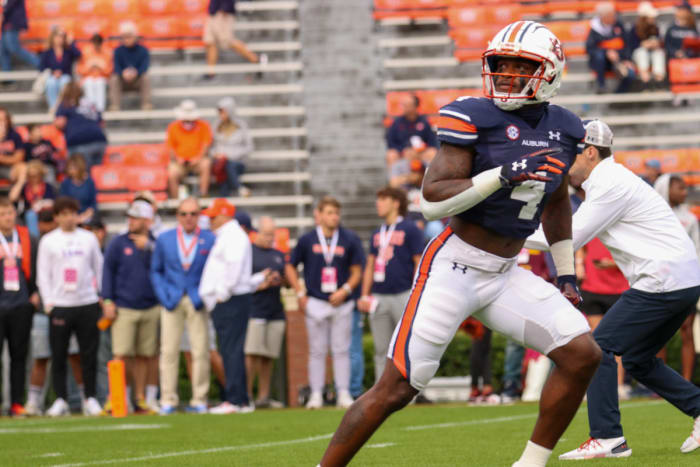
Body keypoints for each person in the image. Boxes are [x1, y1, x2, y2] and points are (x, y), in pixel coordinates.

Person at [319, 21, 601, 467]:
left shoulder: (566, 128)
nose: (506, 74)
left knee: (583, 354)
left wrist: (566, 272)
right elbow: (431, 201)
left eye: (519, 66)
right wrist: (502, 174)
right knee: (397, 388)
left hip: (506, 271)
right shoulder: (474, 115)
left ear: (550, 72)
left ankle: (530, 464)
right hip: (453, 267)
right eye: (500, 65)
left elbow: (557, 202)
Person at [523, 120, 700, 459]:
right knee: (636, 359)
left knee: (596, 348)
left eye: (568, 155)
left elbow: (565, 238)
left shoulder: (610, 184)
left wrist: (497, 233)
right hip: (678, 280)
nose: (563, 163)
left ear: (589, 152)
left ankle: (608, 437)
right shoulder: (611, 179)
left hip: (664, 280)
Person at [286, 196, 364, 410]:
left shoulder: (349, 238)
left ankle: (343, 393)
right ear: (318, 215)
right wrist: (300, 293)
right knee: (317, 350)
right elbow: (290, 266)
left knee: (341, 350)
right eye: (329, 213)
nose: (334, 217)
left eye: (336, 213)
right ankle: (316, 394)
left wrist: (345, 290)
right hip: (316, 300)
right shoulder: (307, 240)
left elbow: (357, 270)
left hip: (342, 301)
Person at [37, 197, 103, 417]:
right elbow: (43, 275)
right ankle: (62, 399)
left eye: (72, 213)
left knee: (89, 354)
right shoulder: (49, 241)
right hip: (60, 305)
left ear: (78, 214)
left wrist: (101, 296)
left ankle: (90, 398)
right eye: (63, 214)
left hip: (87, 302)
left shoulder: (89, 239)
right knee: (58, 354)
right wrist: (49, 303)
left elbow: (99, 268)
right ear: (56, 217)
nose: (68, 218)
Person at [150, 198, 216, 415]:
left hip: (197, 299)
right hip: (172, 299)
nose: (189, 218)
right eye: (184, 214)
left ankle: (199, 398)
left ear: (199, 216)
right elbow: (156, 271)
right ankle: (168, 399)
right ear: (177, 216)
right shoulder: (165, 239)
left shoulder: (209, 238)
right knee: (168, 350)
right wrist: (164, 296)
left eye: (193, 214)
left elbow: (214, 270)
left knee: (200, 350)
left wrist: (203, 295)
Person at [200, 199, 264, 414]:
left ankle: (234, 400)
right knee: (231, 348)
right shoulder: (230, 236)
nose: (210, 220)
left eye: (213, 216)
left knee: (230, 350)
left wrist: (221, 295)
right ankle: (241, 400)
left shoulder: (233, 236)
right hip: (232, 298)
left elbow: (233, 269)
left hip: (231, 300)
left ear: (225, 215)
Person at [358, 187, 423, 382]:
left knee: (410, 346)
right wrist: (364, 294)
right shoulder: (377, 232)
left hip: (404, 294)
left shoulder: (411, 229)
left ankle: (414, 391)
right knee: (381, 349)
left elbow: (418, 263)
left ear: (396, 203)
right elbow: (370, 265)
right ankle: (380, 393)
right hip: (379, 295)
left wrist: (416, 293)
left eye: (383, 199)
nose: (378, 203)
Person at [101, 200, 159, 413]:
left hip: (150, 306)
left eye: (136, 218)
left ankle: (139, 398)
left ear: (147, 221)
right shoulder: (118, 243)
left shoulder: (155, 243)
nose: (131, 221)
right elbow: (107, 272)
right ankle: (116, 398)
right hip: (124, 305)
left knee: (145, 355)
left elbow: (165, 266)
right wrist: (107, 300)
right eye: (130, 217)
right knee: (121, 354)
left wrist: (149, 248)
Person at [654, 174, 700, 382]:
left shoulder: (689, 218)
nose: (685, 193)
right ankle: (661, 383)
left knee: (686, 330)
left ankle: (686, 380)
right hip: (657, 282)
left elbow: (697, 250)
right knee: (658, 333)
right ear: (666, 189)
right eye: (680, 189)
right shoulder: (652, 214)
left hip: (684, 281)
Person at [0, 197, 38, 416]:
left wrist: (35, 292)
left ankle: (16, 402)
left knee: (19, 357)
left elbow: (36, 267)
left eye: (10, 213)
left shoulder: (27, 238)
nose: (8, 218)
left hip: (21, 305)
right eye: (3, 214)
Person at [245, 216, 287, 408]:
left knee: (268, 357)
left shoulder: (278, 254)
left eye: (272, 234)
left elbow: (287, 280)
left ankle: (263, 396)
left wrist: (279, 279)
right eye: (267, 234)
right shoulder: (249, 253)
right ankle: (246, 395)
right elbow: (242, 282)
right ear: (257, 232)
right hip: (255, 309)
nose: (270, 238)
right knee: (252, 354)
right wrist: (261, 284)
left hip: (275, 310)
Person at [203, 0, 266, 80]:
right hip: (213, 11)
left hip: (223, 12)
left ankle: (256, 59)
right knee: (210, 41)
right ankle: (210, 72)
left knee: (228, 41)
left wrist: (225, 8)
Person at [54, 81, 108, 170]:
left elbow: (60, 123)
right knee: (96, 175)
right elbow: (102, 123)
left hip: (79, 143)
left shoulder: (65, 104)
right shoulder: (90, 103)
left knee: (81, 176)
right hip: (99, 141)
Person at [166, 100, 213, 199]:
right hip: (180, 162)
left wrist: (198, 158)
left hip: (198, 161)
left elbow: (206, 145)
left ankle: (203, 194)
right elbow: (170, 148)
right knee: (172, 172)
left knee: (206, 163)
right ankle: (176, 201)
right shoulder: (173, 127)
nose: (188, 122)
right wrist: (177, 159)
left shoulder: (203, 125)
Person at [586, 2, 635, 94]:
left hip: (619, 61)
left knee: (631, 74)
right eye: (610, 15)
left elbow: (627, 44)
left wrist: (627, 59)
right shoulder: (594, 29)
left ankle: (618, 96)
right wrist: (606, 52)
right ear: (603, 16)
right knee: (599, 56)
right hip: (602, 64)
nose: (614, 17)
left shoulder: (619, 25)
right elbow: (590, 49)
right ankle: (601, 86)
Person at [211, 97, 253, 197]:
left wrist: (229, 156)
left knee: (228, 166)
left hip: (237, 163)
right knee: (225, 167)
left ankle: (224, 202)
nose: (220, 114)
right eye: (219, 111)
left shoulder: (241, 126)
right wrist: (217, 154)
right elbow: (211, 147)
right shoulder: (216, 126)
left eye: (223, 111)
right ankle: (239, 188)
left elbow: (249, 147)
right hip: (220, 163)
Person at [385, 94, 438, 167]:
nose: (403, 107)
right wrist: (403, 150)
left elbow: (432, 142)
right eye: (403, 105)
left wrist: (420, 150)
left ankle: (430, 177)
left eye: (407, 105)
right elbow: (391, 143)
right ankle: (395, 177)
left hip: (421, 153)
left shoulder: (424, 122)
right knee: (391, 154)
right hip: (403, 153)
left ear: (415, 106)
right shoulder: (396, 123)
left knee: (432, 153)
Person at [109, 21, 151, 111]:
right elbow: (115, 66)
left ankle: (146, 104)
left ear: (135, 36)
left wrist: (136, 72)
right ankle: (115, 105)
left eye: (129, 36)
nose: (126, 39)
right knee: (114, 79)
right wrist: (123, 73)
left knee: (145, 77)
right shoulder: (118, 51)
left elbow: (145, 66)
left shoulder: (143, 50)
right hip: (122, 80)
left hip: (137, 80)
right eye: (124, 37)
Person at [9, 160, 56, 238]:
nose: (32, 178)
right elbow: (12, 197)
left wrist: (41, 204)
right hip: (29, 214)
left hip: (46, 214)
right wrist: (21, 181)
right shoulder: (25, 187)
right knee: (31, 215)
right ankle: (34, 240)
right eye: (30, 175)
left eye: (35, 175)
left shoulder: (48, 186)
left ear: (41, 175)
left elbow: (53, 202)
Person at [39, 27, 81, 109]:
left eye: (62, 37)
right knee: (51, 82)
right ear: (53, 38)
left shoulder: (68, 51)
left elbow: (78, 54)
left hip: (65, 75)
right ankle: (54, 108)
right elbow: (41, 67)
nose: (59, 39)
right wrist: (53, 72)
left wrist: (71, 43)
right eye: (57, 36)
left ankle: (64, 107)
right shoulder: (48, 51)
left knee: (65, 81)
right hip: (52, 76)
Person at [628, 2, 666, 89]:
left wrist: (655, 44)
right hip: (639, 55)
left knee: (658, 53)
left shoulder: (655, 28)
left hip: (653, 53)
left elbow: (660, 42)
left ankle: (659, 80)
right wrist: (643, 44)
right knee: (642, 53)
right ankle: (645, 80)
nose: (653, 18)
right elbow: (631, 46)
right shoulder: (634, 29)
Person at [0, 0, 39, 81]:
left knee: (14, 48)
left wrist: (3, 11)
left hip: (12, 23)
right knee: (3, 51)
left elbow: (9, 5)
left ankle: (40, 63)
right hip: (6, 24)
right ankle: (7, 79)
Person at [77, 34, 112, 112]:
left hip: (102, 77)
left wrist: (101, 69)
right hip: (87, 77)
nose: (96, 45)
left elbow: (110, 70)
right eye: (94, 42)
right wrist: (88, 68)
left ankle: (100, 110)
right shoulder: (85, 52)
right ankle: (91, 109)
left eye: (98, 42)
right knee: (89, 83)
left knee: (99, 83)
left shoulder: (107, 52)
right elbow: (79, 69)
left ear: (101, 43)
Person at [59, 154, 98, 224]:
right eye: (69, 168)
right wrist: (73, 216)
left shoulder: (89, 182)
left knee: (89, 223)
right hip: (70, 214)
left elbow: (93, 203)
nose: (70, 170)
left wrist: (84, 216)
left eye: (73, 168)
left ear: (80, 167)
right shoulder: (65, 183)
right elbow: (63, 202)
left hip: (86, 214)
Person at [0, 108, 27, 200]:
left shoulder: (15, 135)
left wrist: (2, 159)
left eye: (4, 119)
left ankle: (14, 196)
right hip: (7, 164)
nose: (2, 123)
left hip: (9, 168)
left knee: (23, 167)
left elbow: (18, 158)